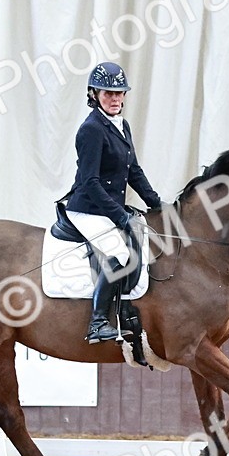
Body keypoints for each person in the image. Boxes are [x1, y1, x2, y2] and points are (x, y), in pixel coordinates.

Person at [64, 62, 164, 343]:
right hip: (87, 209)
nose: (115, 99)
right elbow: (90, 183)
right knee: (120, 255)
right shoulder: (91, 129)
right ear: (94, 94)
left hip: (106, 208)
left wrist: (157, 204)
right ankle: (97, 323)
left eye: (119, 93)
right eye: (108, 93)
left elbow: (133, 170)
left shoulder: (122, 125)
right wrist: (120, 216)